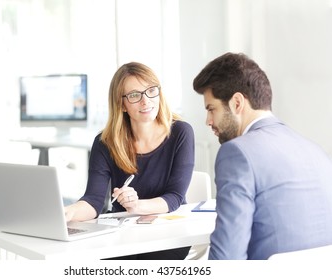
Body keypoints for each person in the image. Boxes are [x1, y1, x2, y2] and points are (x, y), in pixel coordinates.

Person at [193, 52, 332, 260]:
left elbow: (228, 259)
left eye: (211, 109)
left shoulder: (237, 153)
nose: (208, 121)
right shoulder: (316, 151)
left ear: (237, 103)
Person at [65, 62, 195, 259]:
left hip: (166, 232)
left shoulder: (180, 132)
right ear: (121, 104)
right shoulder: (105, 143)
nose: (146, 101)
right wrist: (68, 212)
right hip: (121, 233)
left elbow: (175, 197)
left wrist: (137, 206)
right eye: (134, 95)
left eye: (151, 91)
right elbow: (93, 201)